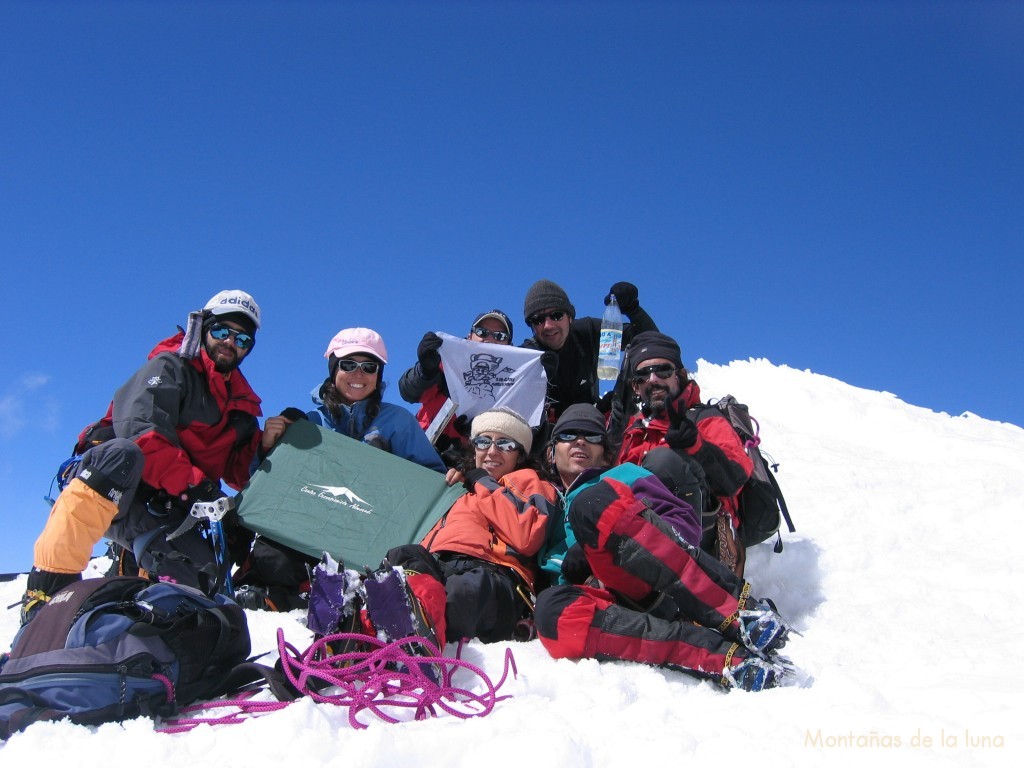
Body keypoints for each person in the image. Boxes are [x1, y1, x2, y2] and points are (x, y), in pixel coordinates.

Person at [21, 290, 291, 623]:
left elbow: (238, 472)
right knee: (121, 455)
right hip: (118, 488)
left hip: (169, 507)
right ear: (203, 326)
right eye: (222, 331)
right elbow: (142, 433)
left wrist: (265, 445)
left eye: (242, 339)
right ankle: (45, 595)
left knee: (202, 595)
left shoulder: (241, 406)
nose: (230, 342)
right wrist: (197, 486)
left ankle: (137, 599)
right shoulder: (170, 366)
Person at [533, 458, 795, 692]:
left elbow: (682, 523)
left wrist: (607, 537)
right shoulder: (543, 500)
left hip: (650, 571)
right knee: (549, 612)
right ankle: (723, 659)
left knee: (592, 504)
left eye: (589, 434)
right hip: (611, 608)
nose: (579, 441)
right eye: (568, 435)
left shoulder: (623, 473)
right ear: (551, 453)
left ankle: (739, 613)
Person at [233, 326, 447, 611]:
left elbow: (430, 481)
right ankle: (283, 594)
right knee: (272, 557)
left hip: (372, 536)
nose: (359, 374)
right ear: (334, 369)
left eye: (369, 367)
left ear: (378, 375)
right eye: (348, 364)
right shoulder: (306, 423)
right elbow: (268, 486)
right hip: (308, 530)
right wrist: (266, 449)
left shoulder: (398, 422)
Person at [387, 406, 559, 643]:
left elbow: (527, 535)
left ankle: (416, 634)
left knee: (464, 591)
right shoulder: (460, 487)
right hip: (439, 565)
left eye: (505, 444)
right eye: (483, 441)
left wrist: (483, 482)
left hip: (494, 573)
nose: (492, 451)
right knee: (404, 558)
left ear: (520, 455)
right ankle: (365, 621)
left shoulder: (531, 483)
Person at [612, 331, 754, 575]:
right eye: (643, 375)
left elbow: (734, 479)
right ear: (636, 386)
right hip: (641, 540)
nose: (653, 379)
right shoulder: (633, 431)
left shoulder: (705, 420)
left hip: (706, 547)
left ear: (680, 375)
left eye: (662, 370)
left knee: (662, 462)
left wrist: (696, 447)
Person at [521, 279, 659, 428]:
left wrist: (633, 309)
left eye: (556, 315)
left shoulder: (587, 332)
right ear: (532, 327)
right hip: (545, 436)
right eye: (538, 320)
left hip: (591, 428)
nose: (548, 325)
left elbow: (650, 342)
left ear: (570, 317)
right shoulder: (526, 356)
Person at [399, 310, 515, 466]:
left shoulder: (513, 384)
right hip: (418, 451)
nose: (489, 340)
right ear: (469, 336)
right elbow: (408, 393)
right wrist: (425, 371)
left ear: (510, 345)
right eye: (482, 332)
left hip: (469, 466)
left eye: (499, 336)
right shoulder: (446, 363)